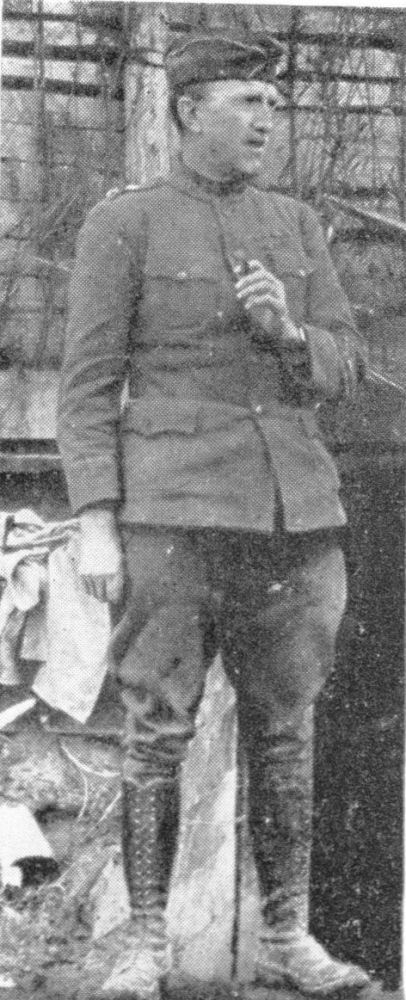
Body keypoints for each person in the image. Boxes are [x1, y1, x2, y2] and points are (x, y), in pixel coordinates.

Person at [57, 29, 371, 1000]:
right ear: (190, 110)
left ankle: (285, 937)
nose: (268, 119)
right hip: (173, 517)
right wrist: (97, 520)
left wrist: (288, 331)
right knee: (157, 731)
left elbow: (345, 367)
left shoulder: (296, 225)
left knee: (287, 730)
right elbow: (86, 386)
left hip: (292, 520)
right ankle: (147, 945)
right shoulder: (127, 224)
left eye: (273, 104)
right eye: (246, 101)